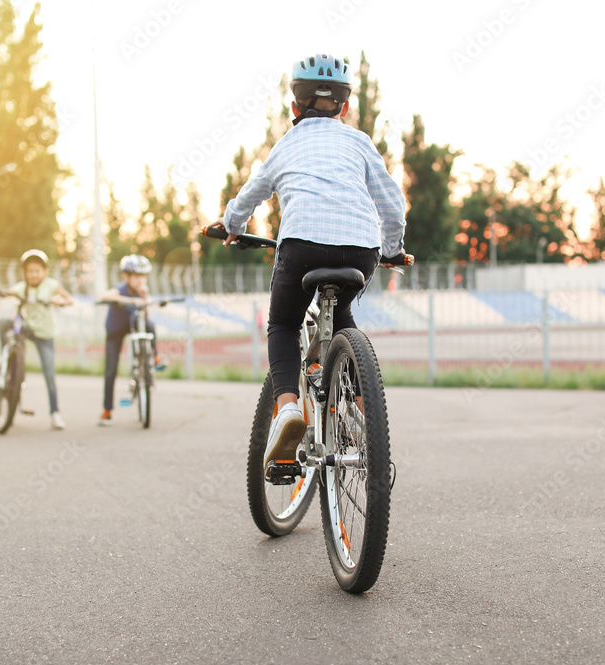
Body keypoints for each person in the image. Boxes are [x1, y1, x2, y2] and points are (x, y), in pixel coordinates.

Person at [208, 52, 407, 473]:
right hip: (360, 249)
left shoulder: (287, 144)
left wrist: (231, 224)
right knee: (344, 318)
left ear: (294, 106)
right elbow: (392, 204)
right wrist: (391, 249)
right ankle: (371, 427)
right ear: (346, 106)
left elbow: (251, 193)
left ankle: (287, 409)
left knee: (282, 323)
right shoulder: (359, 141)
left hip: (301, 245)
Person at [0, 249, 74, 430]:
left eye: (37, 271)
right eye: (30, 271)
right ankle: (5, 357)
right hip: (28, 328)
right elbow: (7, 293)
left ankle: (55, 413)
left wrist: (59, 302)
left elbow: (68, 299)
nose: (33, 274)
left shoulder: (50, 285)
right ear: (24, 272)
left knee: (49, 373)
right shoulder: (22, 287)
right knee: (4, 323)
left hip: (45, 333)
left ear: (44, 272)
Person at [96, 254, 160, 426]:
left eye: (143, 276)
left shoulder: (143, 291)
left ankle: (152, 358)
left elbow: (147, 316)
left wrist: (144, 300)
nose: (140, 280)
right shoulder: (120, 289)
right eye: (137, 276)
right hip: (115, 330)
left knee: (151, 325)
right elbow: (104, 296)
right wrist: (131, 300)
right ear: (126, 276)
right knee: (111, 369)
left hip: (134, 325)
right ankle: (107, 410)